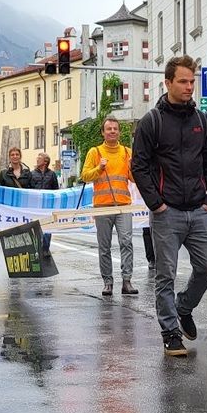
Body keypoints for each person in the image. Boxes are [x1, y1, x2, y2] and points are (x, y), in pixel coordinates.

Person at [132, 55, 207, 357]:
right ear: (167, 82)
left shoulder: (201, 121)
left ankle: (185, 307)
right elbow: (139, 166)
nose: (188, 87)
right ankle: (170, 333)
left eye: (191, 81)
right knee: (165, 275)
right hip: (166, 213)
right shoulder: (152, 122)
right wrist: (156, 204)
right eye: (182, 81)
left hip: (198, 210)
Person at [82, 117, 138, 296]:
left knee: (126, 242)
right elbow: (85, 176)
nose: (112, 131)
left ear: (119, 132)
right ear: (103, 133)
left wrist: (133, 169)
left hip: (123, 206)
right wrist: (99, 168)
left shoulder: (127, 152)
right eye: (109, 129)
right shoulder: (95, 152)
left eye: (115, 128)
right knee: (104, 246)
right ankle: (107, 282)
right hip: (102, 207)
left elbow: (135, 179)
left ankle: (127, 281)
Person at [31, 152, 60, 257]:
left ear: (45, 161)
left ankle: (45, 248)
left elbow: (56, 190)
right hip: (36, 206)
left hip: (48, 206)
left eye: (39, 158)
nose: (37, 159)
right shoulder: (32, 174)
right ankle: (37, 248)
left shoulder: (52, 174)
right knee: (36, 228)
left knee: (47, 229)